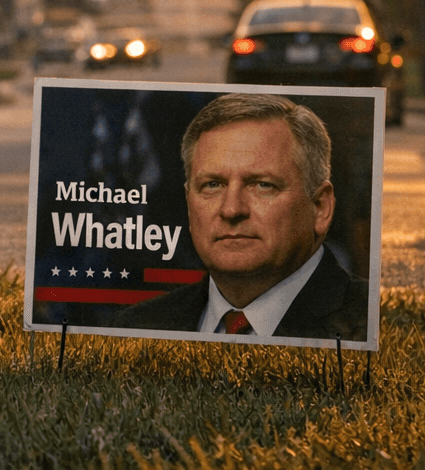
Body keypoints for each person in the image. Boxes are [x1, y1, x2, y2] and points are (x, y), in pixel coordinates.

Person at [113, 92, 368, 340]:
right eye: (212, 185)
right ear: (189, 204)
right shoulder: (135, 326)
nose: (231, 210)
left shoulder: (370, 325)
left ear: (320, 207)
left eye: (262, 185)